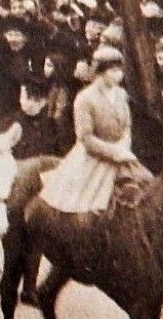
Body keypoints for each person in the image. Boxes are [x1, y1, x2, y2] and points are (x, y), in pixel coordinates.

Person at [38, 45, 152, 213]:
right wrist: (113, 152)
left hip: (122, 154)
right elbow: (85, 138)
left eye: (119, 70)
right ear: (100, 72)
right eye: (112, 70)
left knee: (147, 186)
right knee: (90, 203)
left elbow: (127, 125)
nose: (118, 75)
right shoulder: (85, 98)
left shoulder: (121, 94)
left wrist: (123, 147)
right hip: (92, 157)